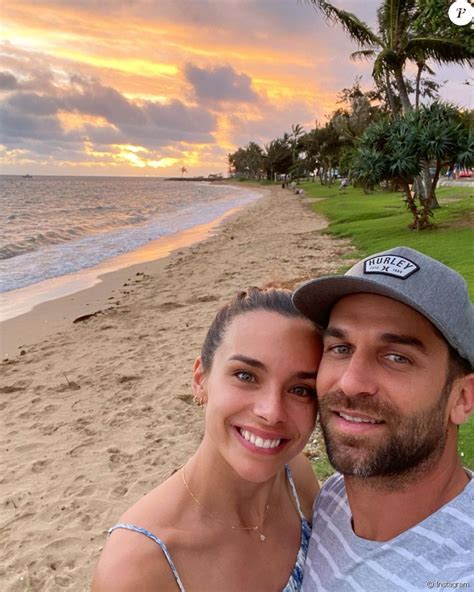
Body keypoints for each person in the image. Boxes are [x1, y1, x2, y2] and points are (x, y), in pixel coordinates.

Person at [92, 287, 322, 592]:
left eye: (300, 390)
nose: (271, 412)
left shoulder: (296, 477)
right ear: (201, 380)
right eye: (246, 376)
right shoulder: (137, 568)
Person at [292, 246, 474, 590]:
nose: (351, 383)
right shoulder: (332, 500)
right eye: (341, 348)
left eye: (396, 357)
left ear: (462, 398)